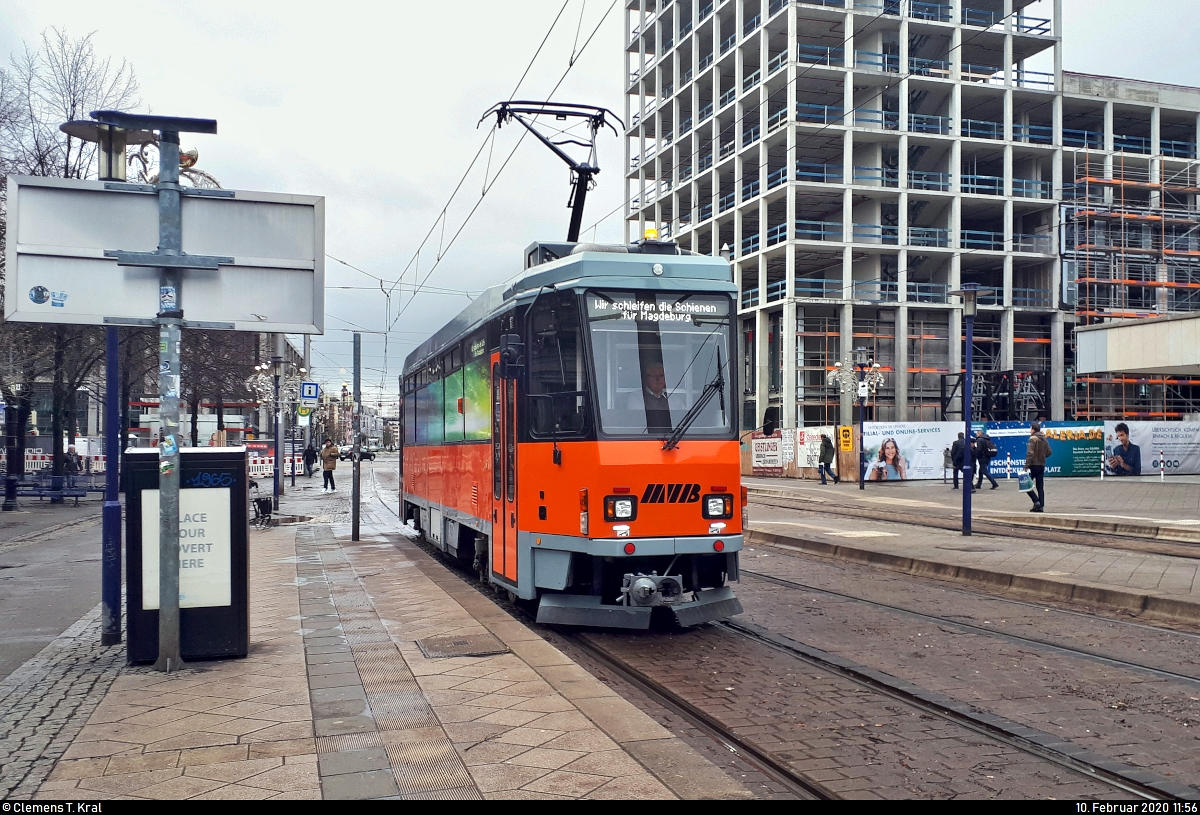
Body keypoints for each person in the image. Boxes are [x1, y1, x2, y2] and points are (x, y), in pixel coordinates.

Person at [629, 362, 672, 431]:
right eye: (653, 375)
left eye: (661, 375)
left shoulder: (674, 400)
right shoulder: (637, 397)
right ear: (646, 378)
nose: (658, 379)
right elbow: (638, 420)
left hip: (671, 437)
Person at [1026, 422, 1052, 512]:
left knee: (1026, 484)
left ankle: (1036, 501)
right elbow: (1049, 452)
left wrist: (1026, 466)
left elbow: (1030, 453)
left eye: (1030, 429)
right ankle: (1041, 506)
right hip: (1041, 464)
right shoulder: (1044, 439)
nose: (1030, 430)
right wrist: (1042, 457)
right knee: (1040, 487)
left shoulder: (1033, 439)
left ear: (1033, 430)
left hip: (1033, 465)